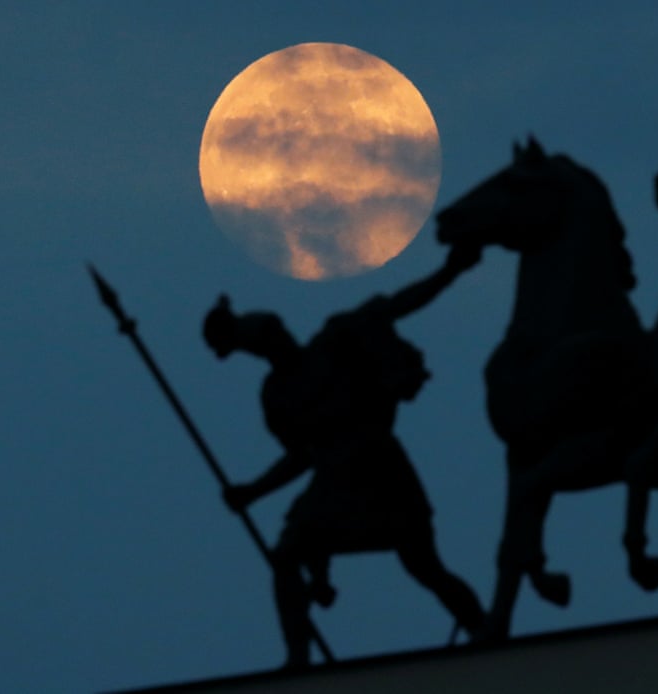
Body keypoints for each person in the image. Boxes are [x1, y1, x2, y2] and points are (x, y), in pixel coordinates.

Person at [202, 245, 485, 667]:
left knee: (424, 565)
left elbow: (397, 305)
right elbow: (301, 457)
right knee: (287, 557)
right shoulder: (276, 396)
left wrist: (448, 272)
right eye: (257, 342)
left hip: (379, 468)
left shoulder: (335, 341)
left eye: (268, 333)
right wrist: (252, 491)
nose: (270, 342)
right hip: (334, 478)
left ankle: (484, 629)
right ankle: (298, 656)